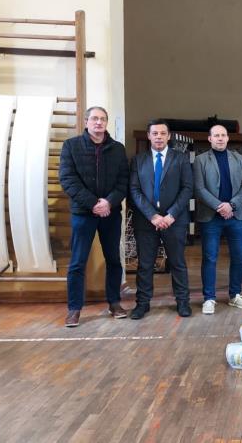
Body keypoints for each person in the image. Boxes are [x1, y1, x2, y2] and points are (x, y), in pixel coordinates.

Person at [58, 106, 129, 327]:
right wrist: (94, 204)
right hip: (83, 214)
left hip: (111, 213)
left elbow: (123, 181)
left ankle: (114, 303)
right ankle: (74, 309)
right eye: (95, 119)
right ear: (86, 121)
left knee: (114, 260)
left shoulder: (118, 149)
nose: (99, 122)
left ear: (106, 122)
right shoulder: (71, 146)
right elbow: (68, 179)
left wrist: (108, 202)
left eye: (103, 119)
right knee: (77, 262)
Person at [128, 119, 193, 319]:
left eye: (163, 133)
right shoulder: (138, 160)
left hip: (175, 220)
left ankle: (183, 302)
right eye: (155, 133)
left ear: (168, 136)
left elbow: (187, 188)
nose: (159, 137)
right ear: (148, 136)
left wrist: (171, 214)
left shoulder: (181, 158)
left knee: (177, 263)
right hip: (146, 221)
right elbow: (134, 190)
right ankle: (142, 303)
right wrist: (153, 215)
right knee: (145, 264)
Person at [194, 124, 242, 315]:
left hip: (235, 215)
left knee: (239, 256)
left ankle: (235, 295)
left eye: (223, 135)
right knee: (210, 257)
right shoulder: (201, 160)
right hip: (211, 216)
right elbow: (199, 189)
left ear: (227, 138)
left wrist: (231, 205)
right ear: (209, 139)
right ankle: (209, 298)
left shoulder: (239, 158)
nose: (220, 138)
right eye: (216, 135)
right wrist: (220, 206)